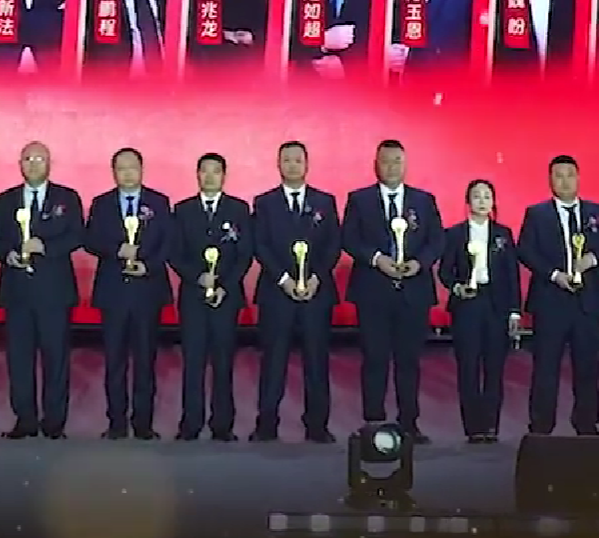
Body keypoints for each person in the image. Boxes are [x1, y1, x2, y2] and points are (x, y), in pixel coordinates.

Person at [344, 139, 444, 440]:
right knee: (374, 358)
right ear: (375, 165)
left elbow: (437, 240)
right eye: (385, 161)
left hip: (413, 292)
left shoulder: (423, 201)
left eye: (397, 161)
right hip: (373, 291)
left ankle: (409, 423)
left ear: (405, 164)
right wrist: (377, 260)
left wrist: (419, 263)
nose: (391, 167)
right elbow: (349, 238)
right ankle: (373, 422)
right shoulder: (359, 200)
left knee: (409, 361)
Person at [0, 141, 85, 438]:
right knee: (19, 359)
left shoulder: (67, 198)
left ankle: (55, 422)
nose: (33, 163)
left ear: (50, 163)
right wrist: (7, 254)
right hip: (17, 292)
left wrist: (46, 246)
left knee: (56, 359)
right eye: (28, 159)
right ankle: (25, 420)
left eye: (39, 158)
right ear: (19, 164)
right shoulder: (5, 200)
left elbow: (77, 235)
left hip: (54, 293)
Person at [519, 154, 599, 436]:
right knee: (545, 368)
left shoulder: (596, 212)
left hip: (589, 302)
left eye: (570, 175)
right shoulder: (537, 214)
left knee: (588, 367)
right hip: (550, 301)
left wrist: (593, 259)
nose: (565, 181)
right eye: (558, 176)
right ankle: (541, 426)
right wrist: (554, 275)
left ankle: (586, 424)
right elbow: (526, 250)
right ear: (550, 180)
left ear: (579, 177)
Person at [253, 140, 340, 443]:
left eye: (298, 160)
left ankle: (317, 426)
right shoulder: (264, 203)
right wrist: (284, 280)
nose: (292, 165)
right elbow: (260, 245)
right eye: (286, 160)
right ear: (278, 164)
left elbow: (333, 244)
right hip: (277, 294)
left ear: (307, 164)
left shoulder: (324, 202)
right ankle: (266, 424)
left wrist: (316, 277)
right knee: (273, 361)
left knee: (316, 361)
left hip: (316, 294)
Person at [84, 147, 172, 440]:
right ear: (113, 172)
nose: (127, 173)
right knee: (114, 362)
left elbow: (168, 243)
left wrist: (147, 265)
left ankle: (143, 423)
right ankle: (116, 423)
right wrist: (116, 250)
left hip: (147, 292)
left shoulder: (159, 202)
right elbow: (90, 239)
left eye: (132, 167)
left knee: (146, 361)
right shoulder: (102, 204)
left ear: (142, 169)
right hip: (113, 293)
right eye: (121, 168)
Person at [171, 152, 251, 441]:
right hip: (193, 297)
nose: (209, 176)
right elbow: (175, 253)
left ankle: (222, 425)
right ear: (197, 174)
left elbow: (245, 254)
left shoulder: (239, 209)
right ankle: (190, 424)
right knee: (192, 363)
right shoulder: (182, 210)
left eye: (215, 171)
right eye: (204, 171)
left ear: (224, 175)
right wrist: (198, 277)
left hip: (226, 298)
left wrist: (223, 285)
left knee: (223, 362)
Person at [437, 178, 521, 444]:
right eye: (477, 196)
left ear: (493, 202)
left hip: (496, 305)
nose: (482, 201)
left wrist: (514, 311)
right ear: (467, 202)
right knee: (468, 366)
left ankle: (491, 425)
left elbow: (512, 275)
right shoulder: (455, 234)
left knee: (494, 368)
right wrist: (457, 287)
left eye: (487, 196)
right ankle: (473, 427)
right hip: (467, 305)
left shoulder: (503, 234)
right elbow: (444, 271)